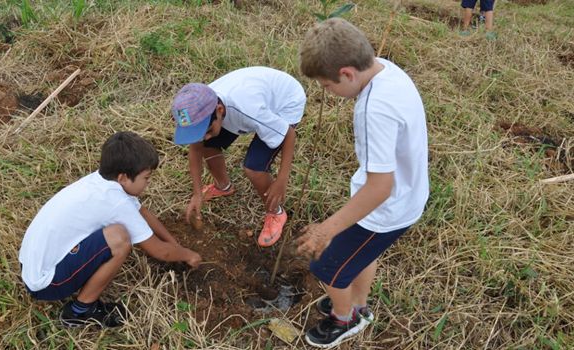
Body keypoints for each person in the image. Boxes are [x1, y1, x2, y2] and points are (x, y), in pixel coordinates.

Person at [296, 18, 429, 348]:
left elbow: (379, 187)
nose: (327, 93)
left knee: (327, 266)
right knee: (359, 257)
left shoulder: (373, 109)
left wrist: (327, 229)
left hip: (385, 208)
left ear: (347, 74)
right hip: (408, 196)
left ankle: (346, 319)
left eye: (327, 86)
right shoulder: (387, 69)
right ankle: (358, 303)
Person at [19, 131, 202, 328]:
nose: (148, 183)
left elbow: (141, 211)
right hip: (47, 283)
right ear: (123, 177)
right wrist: (189, 254)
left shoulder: (101, 181)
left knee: (116, 233)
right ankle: (80, 312)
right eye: (146, 178)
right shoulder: (115, 202)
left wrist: (174, 244)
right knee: (119, 238)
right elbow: (160, 251)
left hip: (31, 263)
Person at [171, 67, 306, 247]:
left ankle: (276, 212)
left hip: (284, 103)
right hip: (254, 98)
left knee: (254, 167)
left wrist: (281, 180)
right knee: (208, 145)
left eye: (208, 130)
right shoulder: (200, 108)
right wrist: (197, 194)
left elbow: (288, 134)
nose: (205, 136)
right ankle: (223, 186)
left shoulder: (248, 110)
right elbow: (196, 149)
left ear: (219, 110)